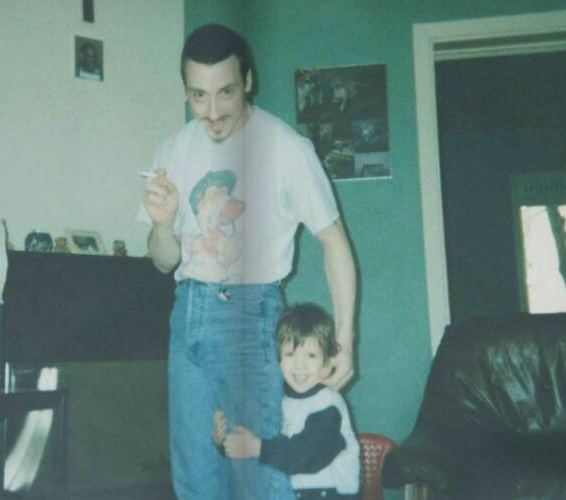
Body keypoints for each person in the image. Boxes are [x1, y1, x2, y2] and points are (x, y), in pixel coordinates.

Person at [138, 23, 357, 499]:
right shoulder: (172, 150)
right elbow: (163, 262)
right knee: (195, 478)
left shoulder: (287, 148)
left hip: (249, 314)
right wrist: (162, 224)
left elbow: (335, 242)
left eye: (226, 92)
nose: (213, 112)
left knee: (257, 476)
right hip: (186, 311)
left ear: (249, 81)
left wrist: (345, 338)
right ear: (185, 90)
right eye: (198, 96)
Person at [213, 303, 361, 500]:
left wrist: (257, 447)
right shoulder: (279, 400)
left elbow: (307, 454)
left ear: (327, 362)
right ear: (277, 360)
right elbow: (256, 447)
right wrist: (225, 442)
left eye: (311, 355)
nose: (300, 365)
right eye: (290, 354)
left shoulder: (328, 403)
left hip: (330, 494)